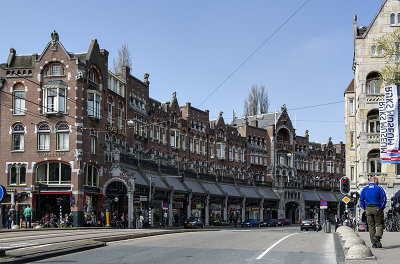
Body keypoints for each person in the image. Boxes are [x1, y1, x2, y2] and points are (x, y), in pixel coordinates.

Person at [360, 176, 387, 248]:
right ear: (374, 180)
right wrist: (382, 207)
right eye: (377, 180)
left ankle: (374, 244)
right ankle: (377, 237)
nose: (378, 182)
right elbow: (384, 199)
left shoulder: (364, 189)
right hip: (377, 207)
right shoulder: (379, 188)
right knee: (380, 224)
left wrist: (364, 208)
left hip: (368, 209)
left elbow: (361, 200)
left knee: (371, 226)